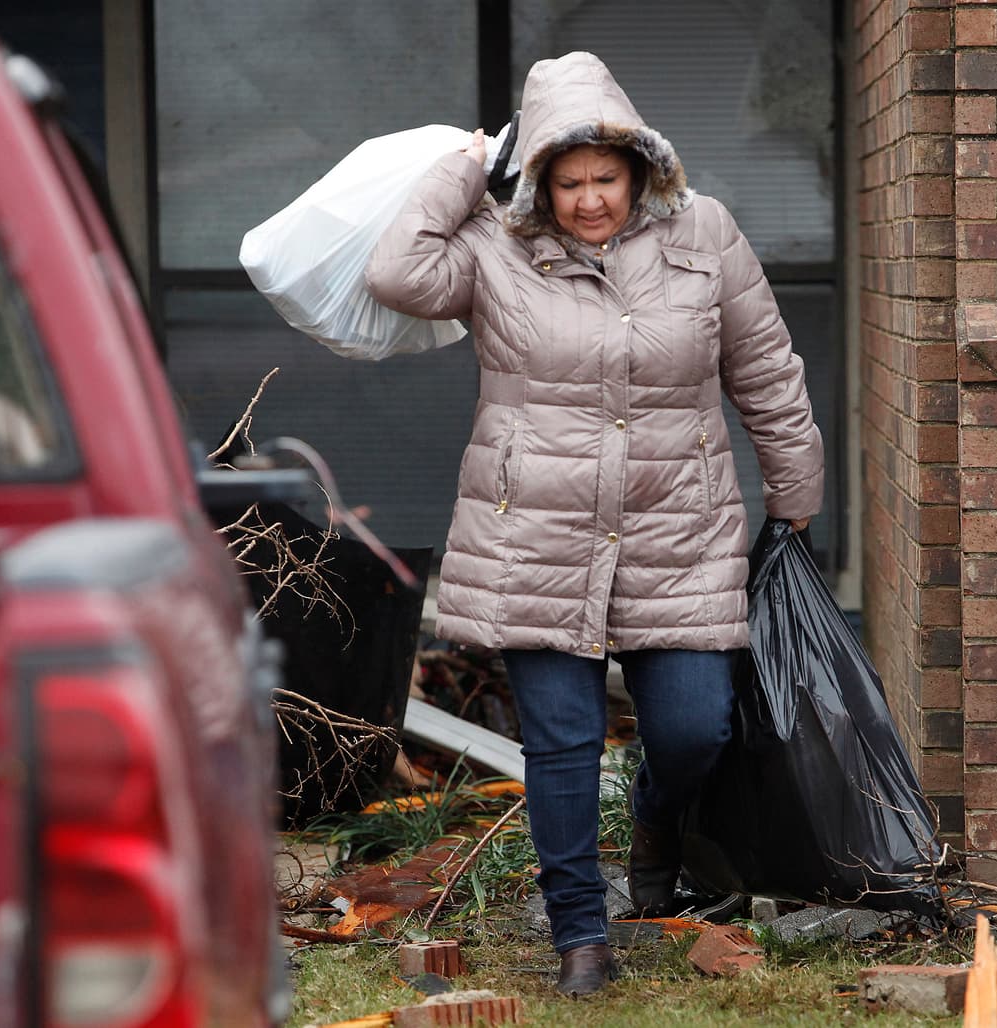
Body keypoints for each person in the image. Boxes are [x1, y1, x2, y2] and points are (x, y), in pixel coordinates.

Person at [365, 50, 823, 998]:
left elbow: (768, 373)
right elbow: (396, 273)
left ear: (640, 167)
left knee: (695, 728)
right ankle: (581, 935)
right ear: (536, 177)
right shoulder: (496, 246)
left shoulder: (706, 234)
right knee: (561, 743)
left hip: (677, 526)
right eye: (564, 182)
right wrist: (469, 161)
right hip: (533, 527)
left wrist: (795, 499)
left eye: (603, 179)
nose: (586, 202)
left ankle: (658, 821)